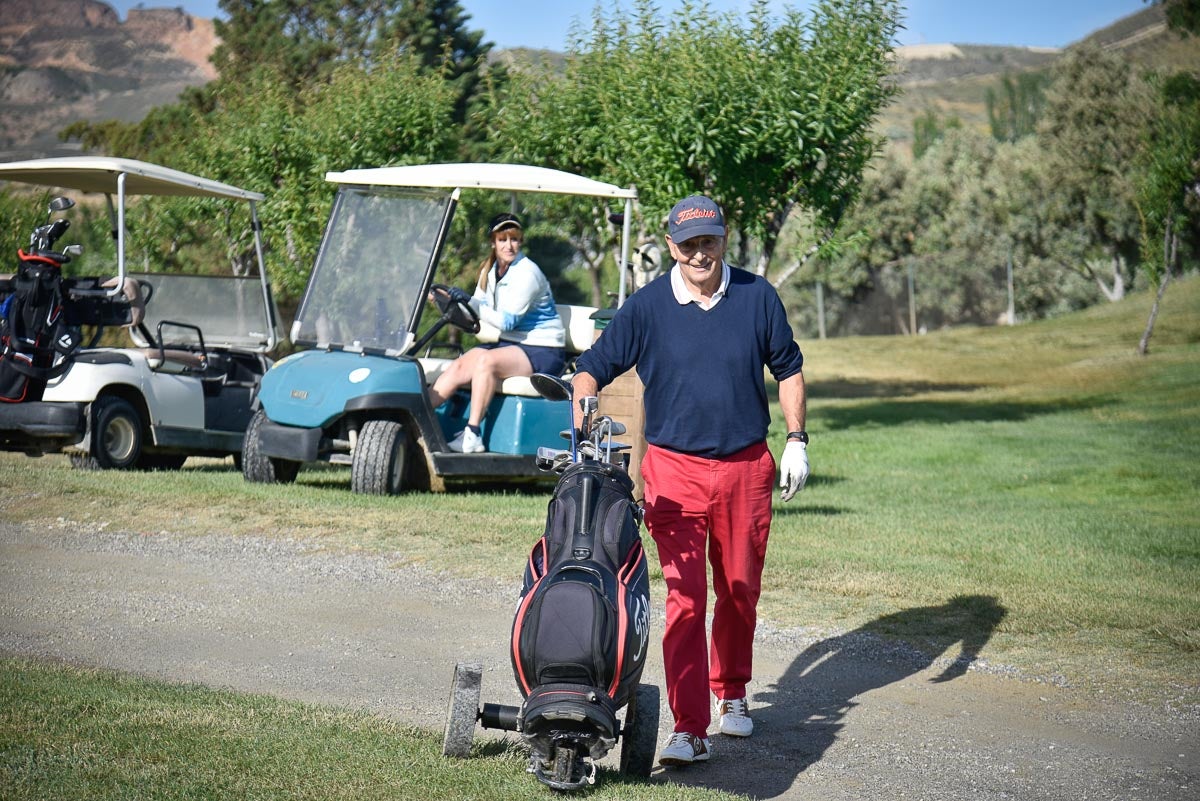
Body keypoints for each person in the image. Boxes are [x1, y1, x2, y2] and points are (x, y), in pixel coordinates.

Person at [571, 195, 810, 766]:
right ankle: (689, 727)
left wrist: (797, 440)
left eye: (709, 241)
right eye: (688, 245)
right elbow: (591, 368)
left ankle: (732, 690)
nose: (700, 254)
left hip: (745, 466)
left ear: (723, 239)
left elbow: (789, 369)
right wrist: (583, 413)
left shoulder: (757, 296)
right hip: (673, 471)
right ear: (671, 246)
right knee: (685, 598)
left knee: (739, 588)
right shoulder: (648, 306)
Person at [430, 212, 566, 453]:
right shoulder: (490, 271)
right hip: (511, 345)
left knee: (486, 361)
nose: (509, 245)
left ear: (520, 241)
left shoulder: (527, 273)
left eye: (514, 239)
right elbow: (475, 309)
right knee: (461, 364)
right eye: (502, 239)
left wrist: (469, 302)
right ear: (493, 242)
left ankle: (473, 434)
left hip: (543, 349)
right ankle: (420, 417)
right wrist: (448, 301)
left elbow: (506, 322)